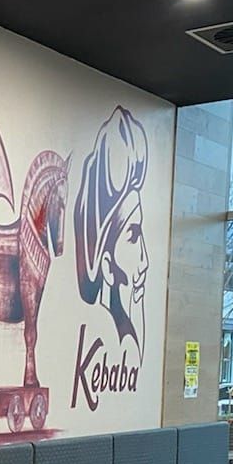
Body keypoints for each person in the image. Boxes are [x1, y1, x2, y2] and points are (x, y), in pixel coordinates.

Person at [74, 106, 150, 356]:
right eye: (134, 236)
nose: (145, 262)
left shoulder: (123, 353)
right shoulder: (103, 341)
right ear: (106, 266)